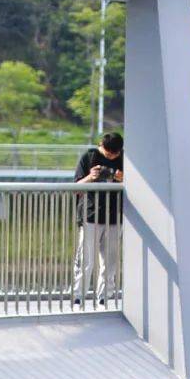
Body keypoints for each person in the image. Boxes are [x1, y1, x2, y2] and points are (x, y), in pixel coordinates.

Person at [73, 131, 124, 305]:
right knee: (86, 259)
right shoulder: (89, 157)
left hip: (115, 216)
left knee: (110, 261)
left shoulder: (125, 160)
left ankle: (105, 297)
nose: (111, 157)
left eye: (115, 154)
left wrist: (124, 178)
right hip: (90, 214)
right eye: (108, 154)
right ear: (101, 146)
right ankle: (78, 297)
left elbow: (139, 186)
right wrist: (91, 177)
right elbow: (76, 187)